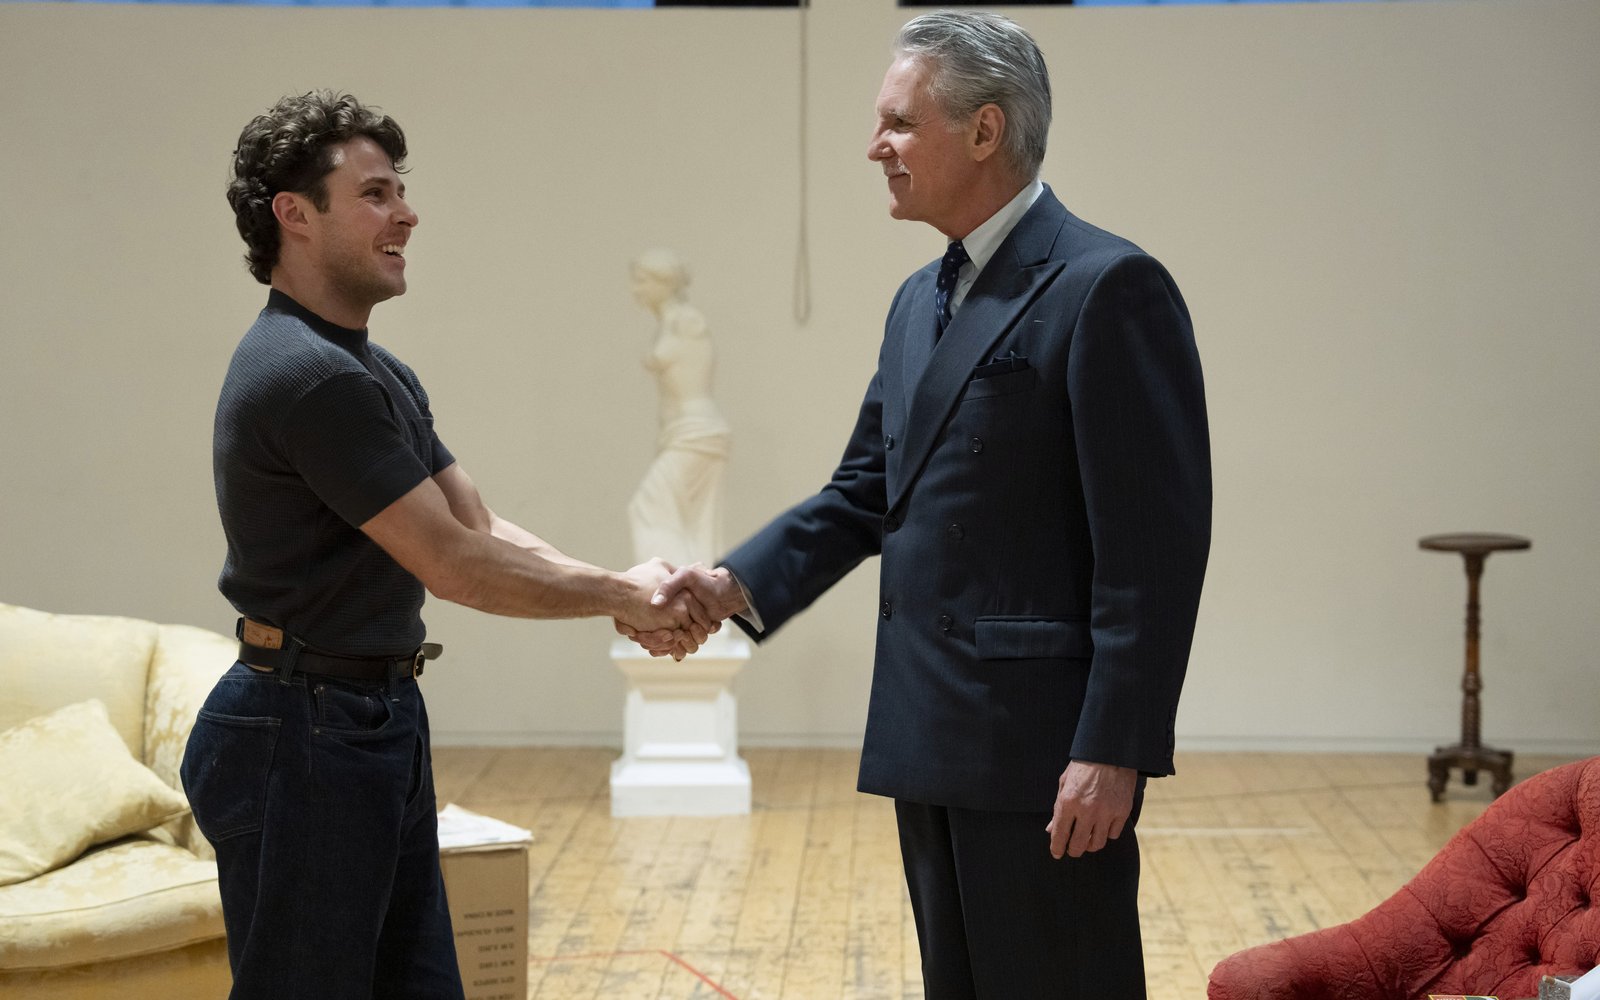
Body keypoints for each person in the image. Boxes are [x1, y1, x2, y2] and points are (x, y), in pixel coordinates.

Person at [644, 11, 1211, 998]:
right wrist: (733, 581)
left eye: (899, 124)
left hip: (1041, 751)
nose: (876, 148)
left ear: (985, 131)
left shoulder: (1106, 285)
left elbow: (1154, 553)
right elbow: (867, 489)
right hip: (930, 732)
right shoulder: (918, 298)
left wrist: (1112, 748)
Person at [180, 91, 710, 1000]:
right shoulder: (307, 377)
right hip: (300, 734)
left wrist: (622, 584)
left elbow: (475, 524)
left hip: (367, 718)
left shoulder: (375, 371)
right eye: (377, 194)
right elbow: (456, 566)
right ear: (295, 216)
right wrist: (622, 600)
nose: (407, 213)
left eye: (401, 192)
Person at [625, 248, 732, 570]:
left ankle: (670, 589)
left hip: (696, 431)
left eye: (643, 281)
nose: (636, 289)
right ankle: (694, 598)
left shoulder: (686, 320)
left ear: (665, 283)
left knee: (648, 507)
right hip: (684, 432)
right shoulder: (673, 321)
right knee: (694, 528)